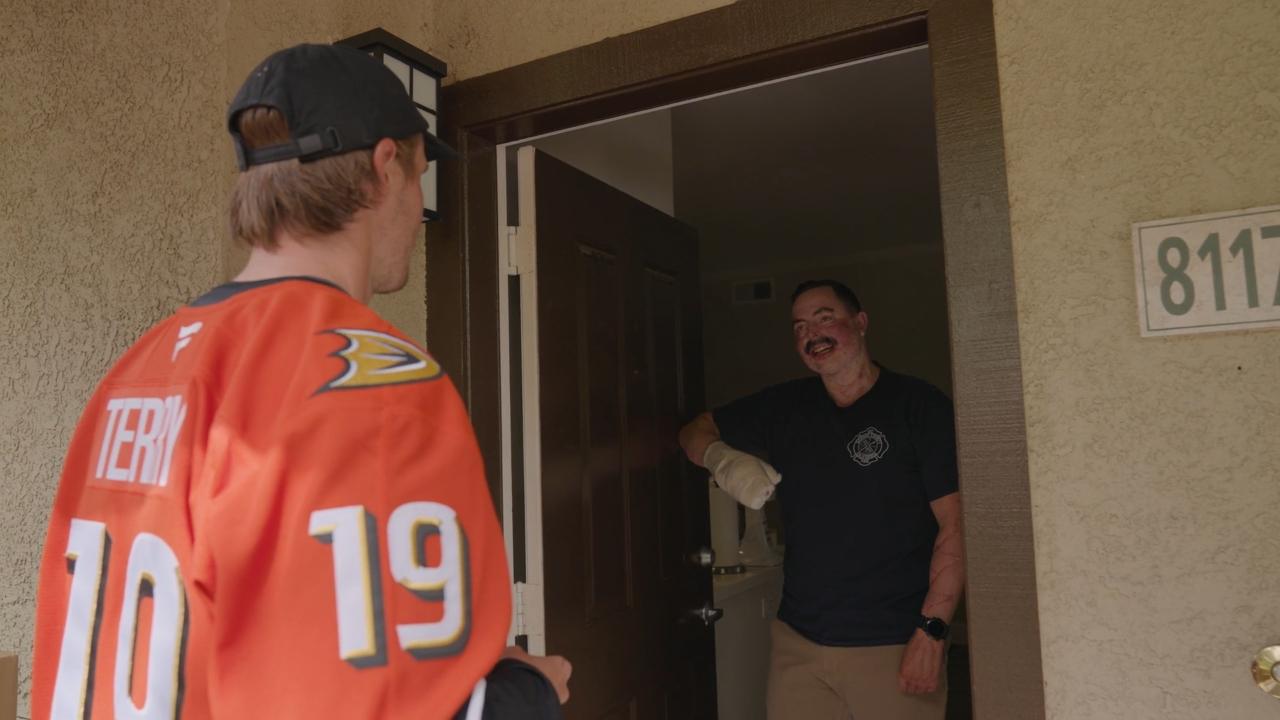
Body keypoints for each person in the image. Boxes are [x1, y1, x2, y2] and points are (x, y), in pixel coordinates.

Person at [30, 43, 569, 720]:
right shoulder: (370, 379)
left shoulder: (135, 371)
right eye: (420, 174)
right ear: (384, 168)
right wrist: (534, 692)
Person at [679, 279, 964, 720]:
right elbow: (694, 431)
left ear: (861, 322)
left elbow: (956, 525)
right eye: (799, 327)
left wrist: (933, 631)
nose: (811, 333)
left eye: (824, 318)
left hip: (894, 643)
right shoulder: (786, 408)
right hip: (799, 644)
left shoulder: (919, 407)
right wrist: (724, 461)